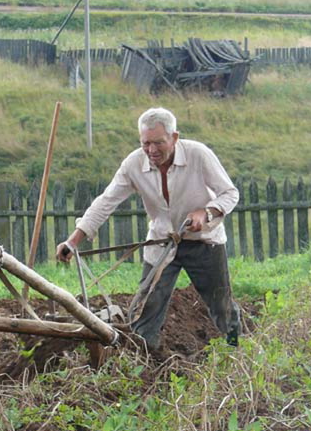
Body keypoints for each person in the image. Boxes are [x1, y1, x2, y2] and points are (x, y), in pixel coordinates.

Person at [56, 107, 242, 350]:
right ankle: (145, 363)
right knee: (146, 307)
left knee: (221, 305)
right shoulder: (134, 164)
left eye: (159, 143)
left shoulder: (198, 154)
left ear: (174, 138)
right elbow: (106, 201)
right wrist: (73, 241)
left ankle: (237, 351)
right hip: (162, 243)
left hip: (205, 242)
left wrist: (206, 212)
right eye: (146, 143)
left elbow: (230, 193)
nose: (152, 150)